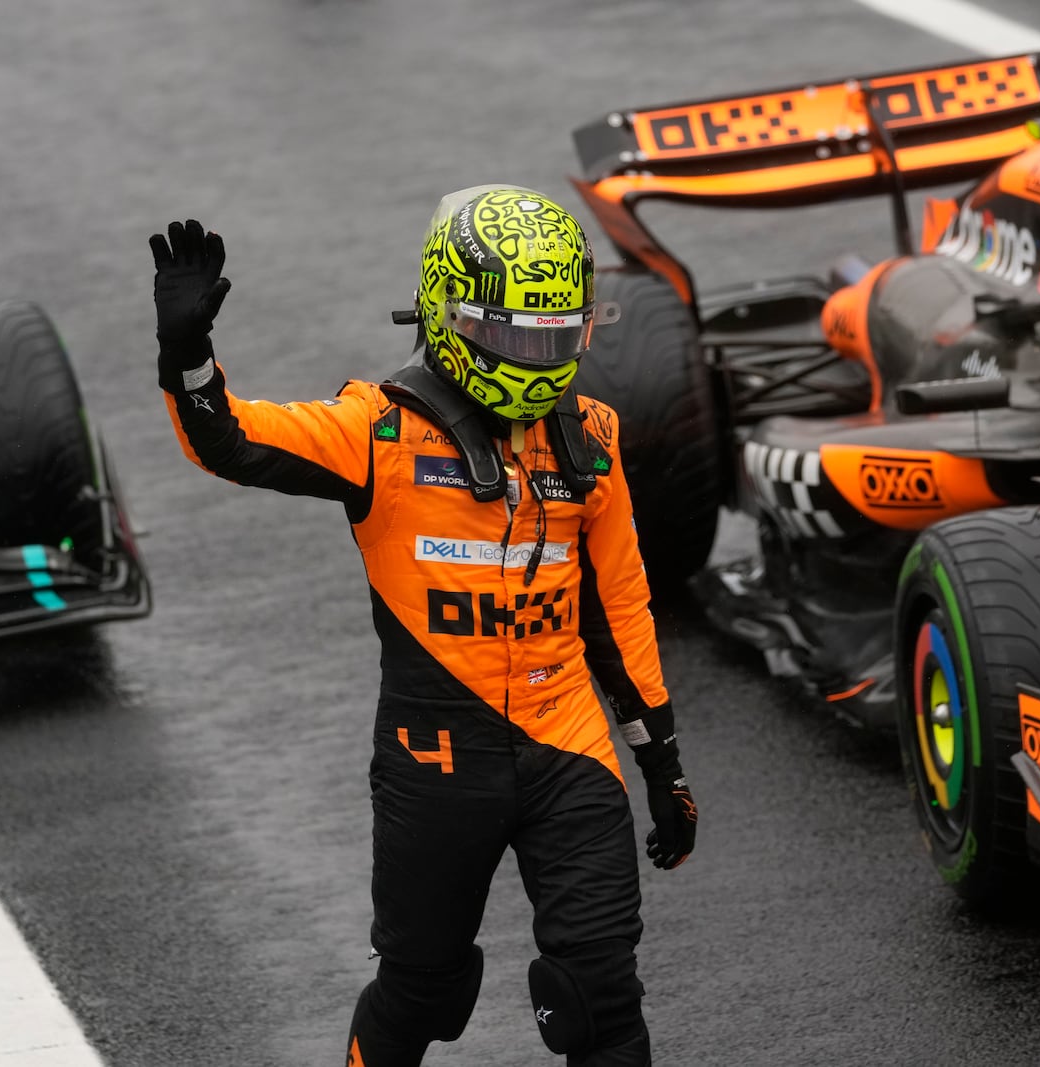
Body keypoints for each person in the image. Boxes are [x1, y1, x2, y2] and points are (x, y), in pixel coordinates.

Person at [149, 186, 698, 1067]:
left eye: (558, 338)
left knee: (600, 995)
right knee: (425, 991)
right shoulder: (375, 430)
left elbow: (619, 608)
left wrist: (661, 760)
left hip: (571, 748)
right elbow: (229, 440)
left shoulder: (589, 437)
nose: (539, 359)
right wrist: (188, 348)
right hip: (436, 762)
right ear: (451, 317)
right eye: (519, 337)